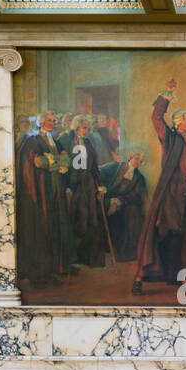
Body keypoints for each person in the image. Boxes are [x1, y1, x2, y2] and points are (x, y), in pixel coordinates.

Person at [132, 87, 186, 291]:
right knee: (162, 236)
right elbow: (157, 117)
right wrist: (165, 96)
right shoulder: (170, 138)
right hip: (171, 197)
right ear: (179, 123)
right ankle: (140, 279)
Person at [16, 110, 76, 284]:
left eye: (55, 120)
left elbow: (67, 160)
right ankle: (41, 273)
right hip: (42, 191)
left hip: (55, 189)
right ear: (41, 122)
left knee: (56, 226)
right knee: (42, 228)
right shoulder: (33, 140)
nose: (53, 123)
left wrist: (54, 160)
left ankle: (58, 266)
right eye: (49, 120)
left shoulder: (54, 140)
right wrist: (55, 162)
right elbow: (37, 162)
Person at [65, 115, 110, 269]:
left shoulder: (88, 143)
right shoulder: (69, 141)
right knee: (79, 220)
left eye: (88, 128)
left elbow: (93, 167)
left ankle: (89, 259)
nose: (86, 131)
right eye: (84, 128)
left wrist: (99, 184)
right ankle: (74, 259)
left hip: (89, 186)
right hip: (76, 187)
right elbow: (71, 169)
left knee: (92, 220)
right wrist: (69, 187)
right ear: (77, 128)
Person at [100, 151, 147, 261]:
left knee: (133, 213)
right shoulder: (116, 167)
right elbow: (98, 172)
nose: (137, 163)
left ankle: (125, 252)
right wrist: (101, 189)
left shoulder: (139, 178)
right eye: (136, 159)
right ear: (130, 157)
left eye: (140, 161)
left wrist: (118, 202)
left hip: (122, 203)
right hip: (106, 198)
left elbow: (137, 197)